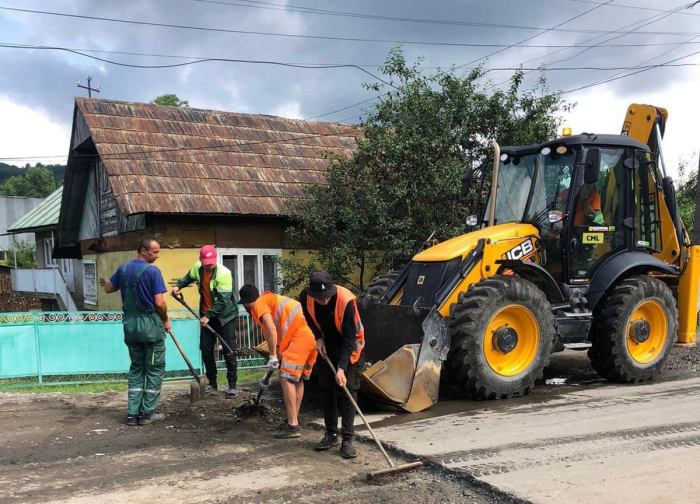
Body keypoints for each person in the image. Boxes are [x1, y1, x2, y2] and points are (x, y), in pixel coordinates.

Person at [105, 236, 170, 426]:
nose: (157, 256)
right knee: (154, 368)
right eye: (155, 252)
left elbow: (108, 288)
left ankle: (132, 414)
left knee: (136, 368)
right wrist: (165, 319)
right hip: (150, 325)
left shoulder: (123, 269)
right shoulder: (152, 271)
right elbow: (159, 302)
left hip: (130, 326)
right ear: (143, 250)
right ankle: (146, 414)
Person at [300, 272, 365, 459]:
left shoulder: (346, 301)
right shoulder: (306, 296)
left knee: (348, 390)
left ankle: (348, 440)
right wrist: (318, 338)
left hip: (350, 347)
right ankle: (331, 435)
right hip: (327, 346)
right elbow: (308, 318)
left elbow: (350, 338)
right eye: (320, 297)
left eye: (327, 296)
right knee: (326, 388)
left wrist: (342, 368)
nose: (324, 300)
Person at [239, 284, 317, 439]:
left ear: (247, 302)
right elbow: (277, 342)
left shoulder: (259, 304)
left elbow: (271, 329)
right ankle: (292, 419)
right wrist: (267, 375)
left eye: (245, 304)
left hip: (300, 335)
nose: (246, 308)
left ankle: (292, 425)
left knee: (286, 377)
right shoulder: (270, 303)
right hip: (311, 335)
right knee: (297, 378)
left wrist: (272, 356)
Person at [171, 246, 238, 398]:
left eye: (212, 263)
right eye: (206, 263)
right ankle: (212, 384)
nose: (209, 266)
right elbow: (189, 277)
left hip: (224, 317)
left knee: (229, 351)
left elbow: (223, 301)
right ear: (201, 260)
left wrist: (208, 315)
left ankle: (232, 386)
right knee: (206, 350)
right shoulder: (198, 268)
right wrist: (178, 286)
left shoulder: (224, 274)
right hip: (206, 316)